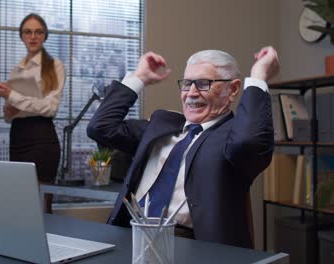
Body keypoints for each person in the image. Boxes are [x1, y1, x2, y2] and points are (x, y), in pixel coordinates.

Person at [87, 46, 279, 248]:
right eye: (187, 84)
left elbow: (248, 143)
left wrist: (258, 77)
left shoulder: (233, 137)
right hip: (130, 233)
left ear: (232, 89)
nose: (191, 93)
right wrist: (139, 77)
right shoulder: (163, 124)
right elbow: (100, 128)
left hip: (190, 244)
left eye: (204, 84)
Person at [0, 13, 65, 213]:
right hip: (18, 137)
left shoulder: (55, 66)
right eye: (27, 32)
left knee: (41, 209)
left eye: (38, 32)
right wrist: (9, 110)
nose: (33, 36)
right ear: (22, 36)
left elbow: (51, 107)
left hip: (41, 139)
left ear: (45, 36)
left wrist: (13, 96)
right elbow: (13, 115)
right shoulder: (17, 70)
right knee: (19, 207)